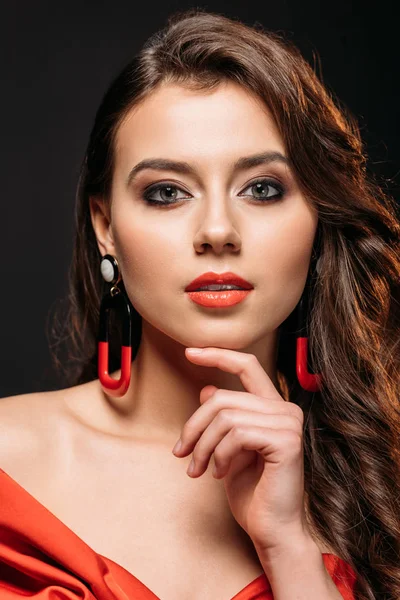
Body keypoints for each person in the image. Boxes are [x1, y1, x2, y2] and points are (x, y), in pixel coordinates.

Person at [1, 8, 399, 600]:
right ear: (104, 226)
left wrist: (288, 547)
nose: (217, 229)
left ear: (319, 215)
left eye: (262, 188)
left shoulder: (382, 481)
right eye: (167, 192)